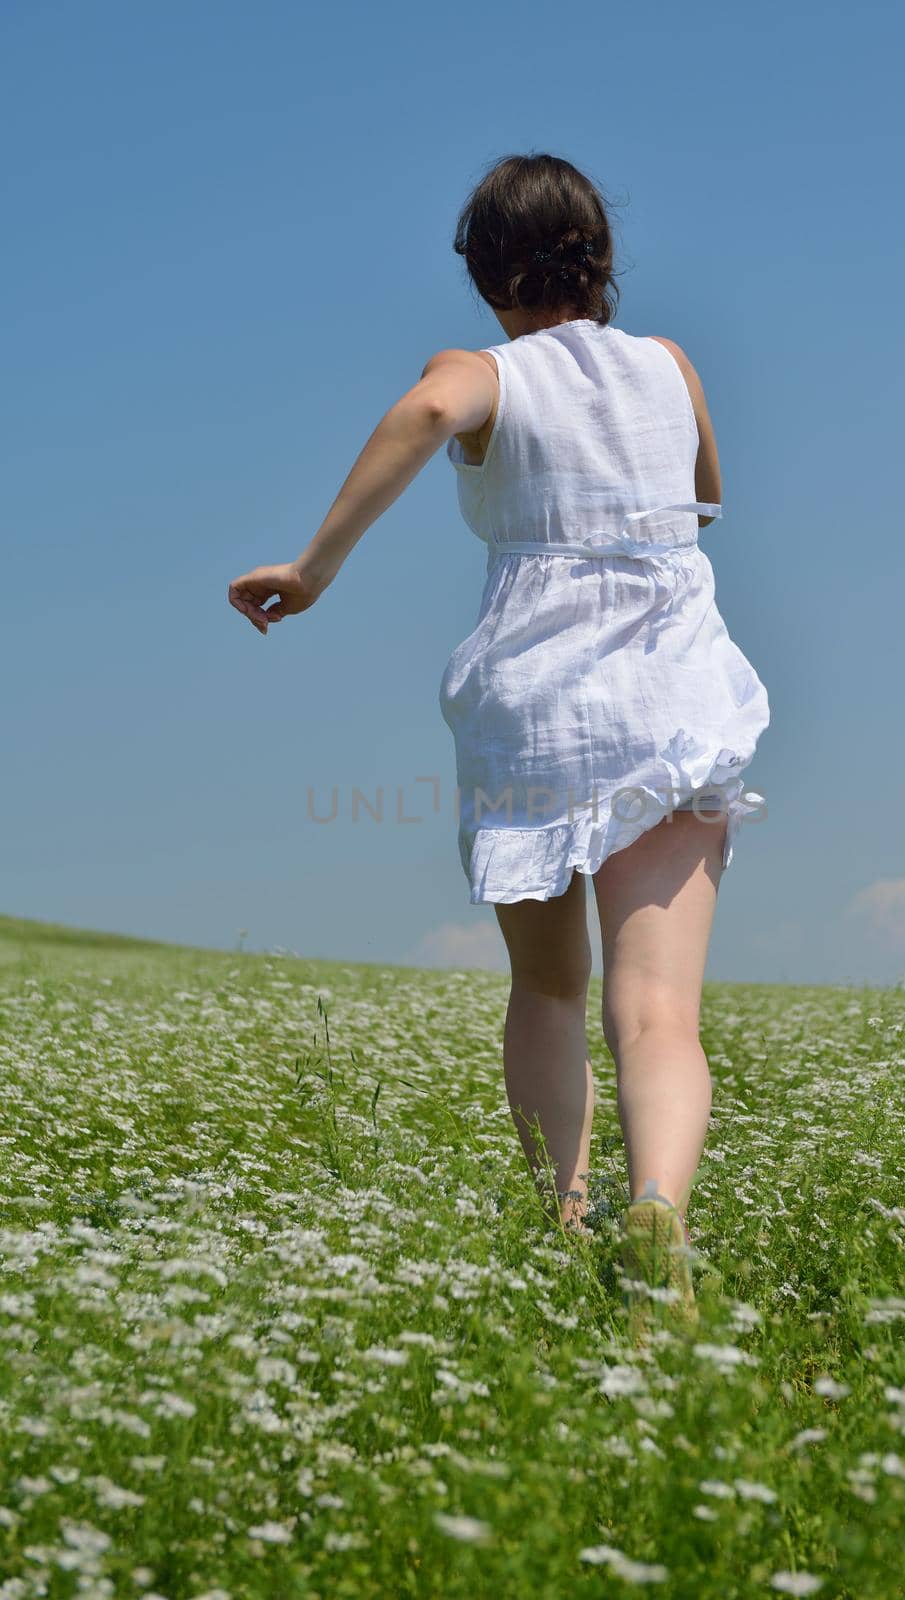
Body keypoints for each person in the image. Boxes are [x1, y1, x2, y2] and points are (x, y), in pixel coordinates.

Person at [228, 151, 771, 1342]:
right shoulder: (668, 365)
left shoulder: (480, 370)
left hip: (538, 700)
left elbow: (430, 412)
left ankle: (565, 1223)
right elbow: (706, 495)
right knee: (660, 1014)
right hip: (669, 693)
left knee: (547, 983)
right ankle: (659, 1216)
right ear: (602, 258)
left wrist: (313, 568)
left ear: (485, 274)